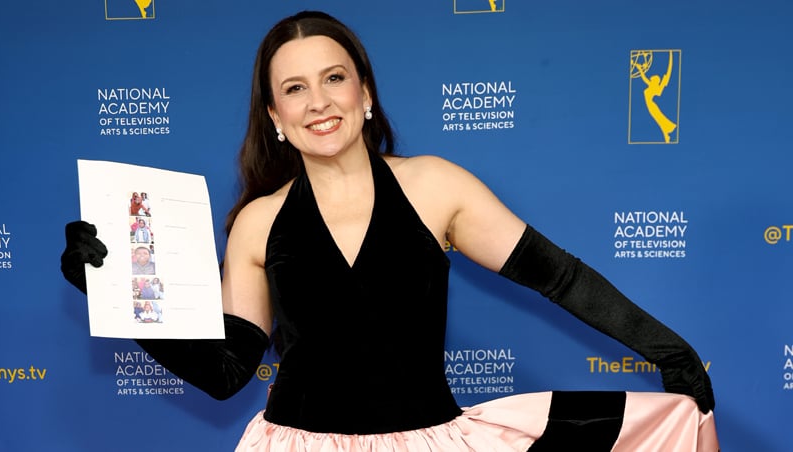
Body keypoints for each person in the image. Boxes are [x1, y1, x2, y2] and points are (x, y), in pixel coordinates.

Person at [61, 10, 717, 451]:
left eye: (334, 78)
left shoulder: (436, 186)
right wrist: (113, 288)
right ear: (276, 116)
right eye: (295, 88)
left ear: (365, 93)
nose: (319, 101)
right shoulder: (257, 223)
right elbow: (227, 371)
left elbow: (561, 278)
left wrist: (670, 352)